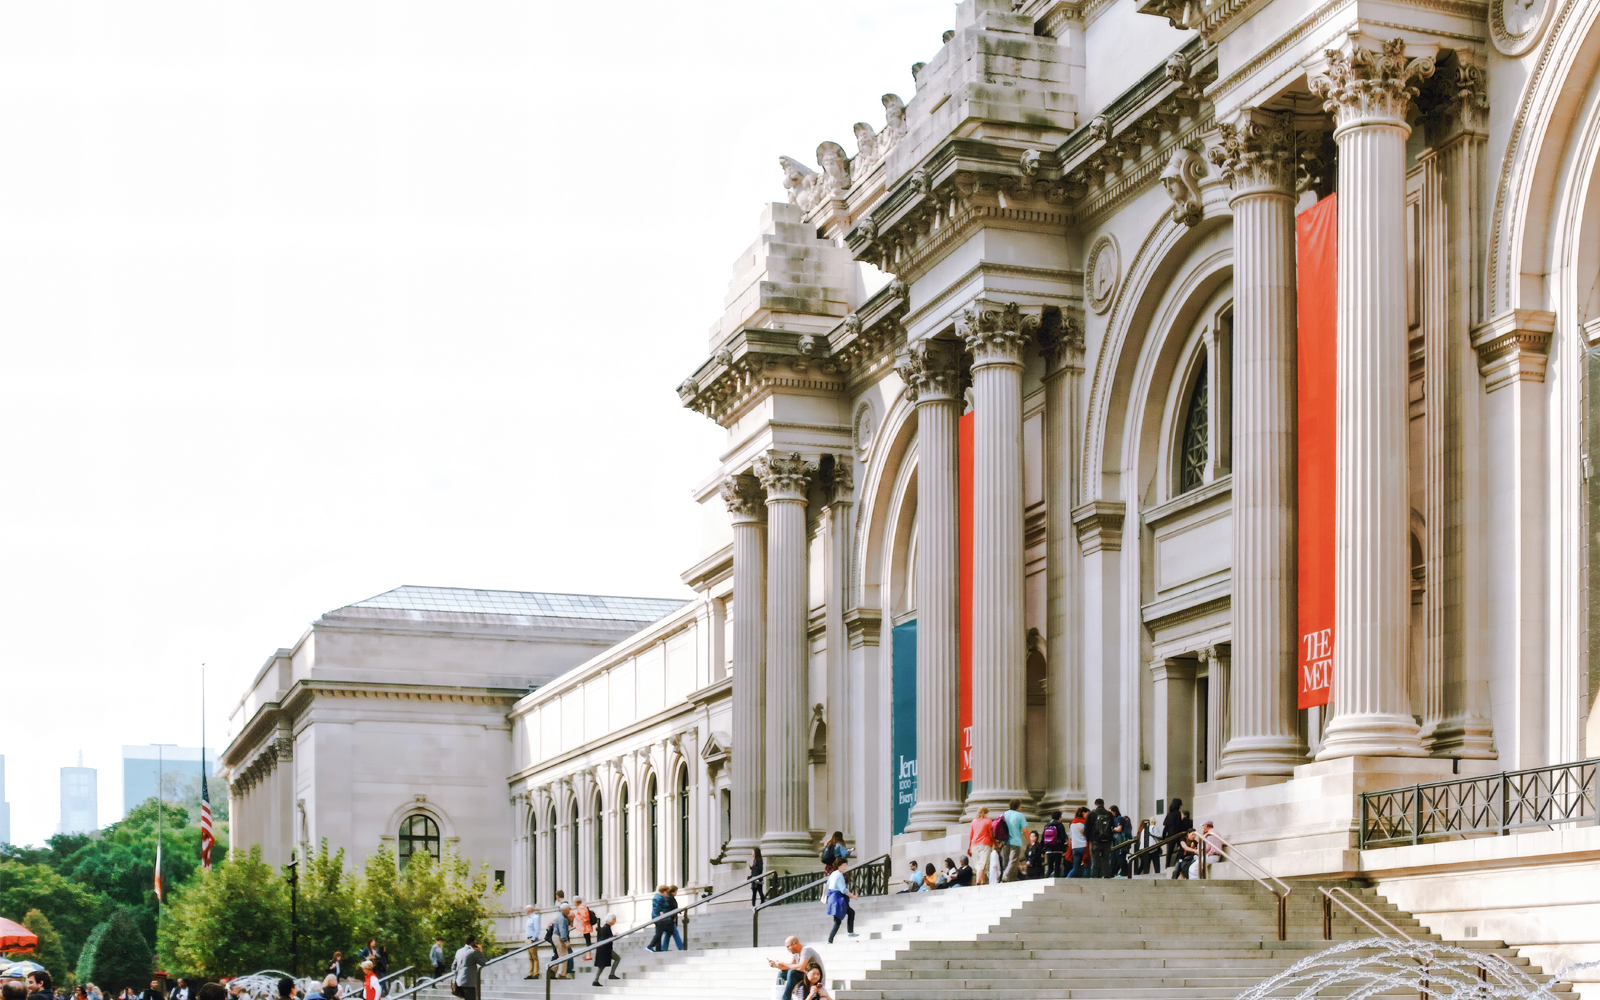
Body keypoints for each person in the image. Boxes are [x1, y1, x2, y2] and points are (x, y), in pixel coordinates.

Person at [766, 936, 823, 1000]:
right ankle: (778, 996)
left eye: (788, 947)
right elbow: (789, 967)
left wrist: (784, 964)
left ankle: (785, 998)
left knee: (792, 973)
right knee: (782, 974)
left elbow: (801, 967)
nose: (787, 949)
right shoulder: (796, 954)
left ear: (794, 944)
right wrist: (776, 965)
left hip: (815, 977)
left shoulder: (806, 950)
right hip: (807, 976)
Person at [824, 859, 858, 942]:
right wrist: (853, 896)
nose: (846, 866)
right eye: (844, 865)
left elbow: (828, 885)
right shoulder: (839, 875)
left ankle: (831, 939)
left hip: (833, 898)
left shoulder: (833, 874)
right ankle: (831, 939)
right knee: (838, 921)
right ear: (839, 865)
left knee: (847, 914)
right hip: (838, 899)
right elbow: (843, 890)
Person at [1086, 798, 1116, 878]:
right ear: (1103, 804)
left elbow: (1087, 828)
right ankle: (1105, 876)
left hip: (1095, 841)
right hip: (1107, 841)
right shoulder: (1109, 814)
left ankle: (1094, 877)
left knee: (1095, 861)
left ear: (1095, 805)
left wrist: (1089, 839)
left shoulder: (1091, 814)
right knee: (1105, 860)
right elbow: (1112, 826)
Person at [999, 798, 1027, 881]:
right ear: (1018, 806)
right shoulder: (1020, 815)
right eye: (1020, 806)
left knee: (1006, 861)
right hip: (1015, 841)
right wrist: (1029, 840)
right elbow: (1025, 830)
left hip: (1005, 840)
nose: (1021, 807)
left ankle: (1012, 878)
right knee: (1013, 861)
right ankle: (1005, 876)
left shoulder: (1004, 814)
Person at [452, 935, 487, 1000]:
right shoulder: (473, 952)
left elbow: (453, 967)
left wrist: (456, 977)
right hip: (469, 983)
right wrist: (481, 951)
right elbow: (483, 963)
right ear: (472, 942)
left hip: (458, 982)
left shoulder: (458, 951)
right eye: (475, 942)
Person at [590, 914, 621, 986]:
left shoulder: (606, 927)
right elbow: (604, 939)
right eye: (614, 919)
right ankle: (610, 975)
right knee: (616, 959)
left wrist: (612, 936)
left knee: (602, 966)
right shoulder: (606, 928)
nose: (615, 921)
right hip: (605, 950)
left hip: (604, 949)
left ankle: (596, 980)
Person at [967, 806, 994, 885]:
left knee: (980, 864)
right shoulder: (988, 821)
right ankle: (977, 881)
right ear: (986, 813)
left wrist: (969, 847)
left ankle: (983, 881)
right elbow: (991, 833)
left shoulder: (973, 821)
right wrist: (993, 841)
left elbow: (970, 835)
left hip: (974, 845)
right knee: (982, 864)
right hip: (985, 844)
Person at [1163, 798, 1191, 868]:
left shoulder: (1169, 814)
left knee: (1169, 852)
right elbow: (1179, 824)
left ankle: (1167, 866)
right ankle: (1180, 862)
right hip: (1177, 835)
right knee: (1181, 848)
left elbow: (1165, 824)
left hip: (1170, 835)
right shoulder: (1178, 813)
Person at [1041, 810, 1068, 878]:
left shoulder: (1047, 825)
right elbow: (1062, 837)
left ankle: (1046, 879)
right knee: (1057, 867)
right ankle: (1056, 879)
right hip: (1057, 849)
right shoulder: (1060, 825)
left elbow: (1043, 837)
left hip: (1049, 849)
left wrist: (1043, 848)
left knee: (1050, 867)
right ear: (1059, 817)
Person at [551, 904, 574, 978]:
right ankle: (559, 973)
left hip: (556, 936)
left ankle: (554, 969)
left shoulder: (561, 916)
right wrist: (566, 941)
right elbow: (562, 931)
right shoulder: (562, 918)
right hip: (559, 937)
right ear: (565, 910)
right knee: (563, 955)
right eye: (569, 910)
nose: (569, 911)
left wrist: (571, 920)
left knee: (562, 955)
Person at [647, 884, 670, 950]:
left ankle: (658, 948)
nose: (667, 894)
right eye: (667, 892)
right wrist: (661, 913)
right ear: (664, 891)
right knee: (659, 933)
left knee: (659, 933)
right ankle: (650, 946)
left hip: (656, 917)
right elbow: (658, 907)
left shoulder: (658, 897)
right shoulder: (659, 898)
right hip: (659, 918)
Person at [1067, 807, 1089, 877]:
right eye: (1087, 814)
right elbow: (1088, 834)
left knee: (1075, 868)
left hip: (1075, 847)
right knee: (1087, 866)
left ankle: (1067, 879)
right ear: (1083, 813)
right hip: (1083, 846)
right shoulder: (1084, 823)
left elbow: (1070, 837)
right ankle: (1086, 882)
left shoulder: (1072, 823)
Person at [663, 887, 687, 951]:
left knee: (668, 934)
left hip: (669, 918)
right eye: (676, 891)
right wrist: (673, 917)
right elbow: (671, 909)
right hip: (670, 919)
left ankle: (664, 948)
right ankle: (681, 947)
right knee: (675, 933)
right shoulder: (670, 898)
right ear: (674, 891)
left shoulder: (669, 898)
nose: (676, 892)